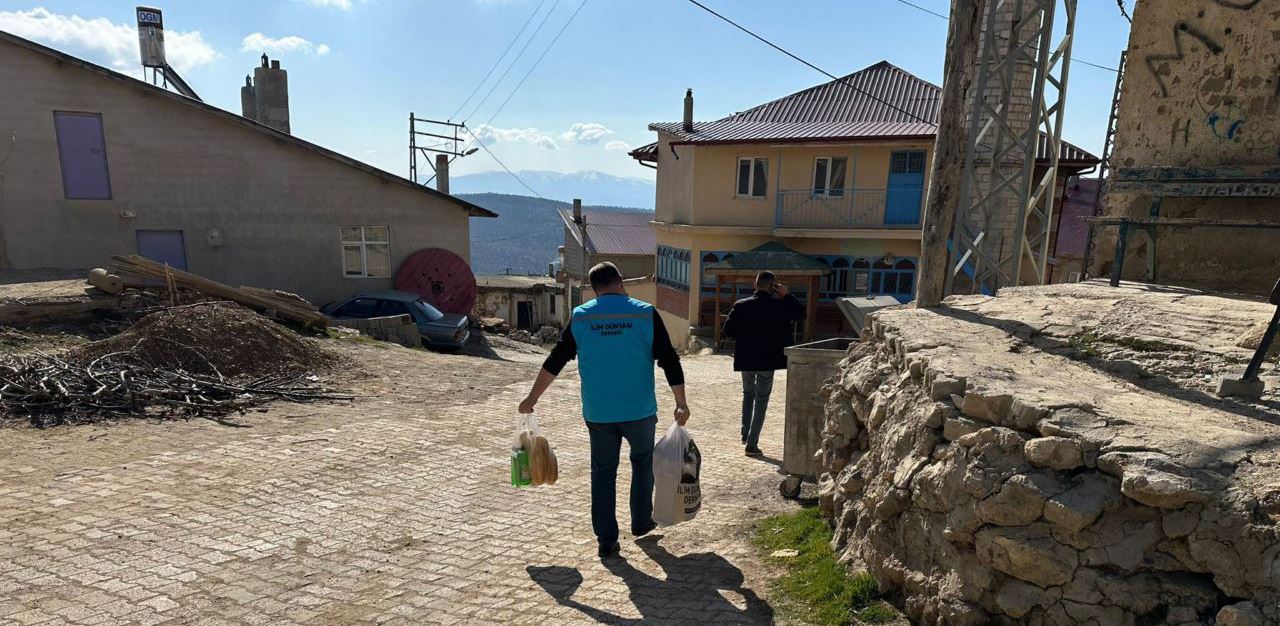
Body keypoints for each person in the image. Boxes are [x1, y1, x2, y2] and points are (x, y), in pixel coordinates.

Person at [519, 262, 689, 559]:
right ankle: (640, 522)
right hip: (639, 410)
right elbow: (669, 360)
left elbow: (555, 361)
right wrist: (681, 401)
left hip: (599, 413)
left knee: (603, 472)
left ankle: (606, 539)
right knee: (642, 463)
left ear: (594, 289)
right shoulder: (645, 313)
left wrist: (532, 398)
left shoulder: (582, 317)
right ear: (621, 283)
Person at [722, 270, 804, 457]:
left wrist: (745, 338)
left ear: (755, 285)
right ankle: (752, 444)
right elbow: (801, 314)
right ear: (773, 287)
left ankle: (745, 433)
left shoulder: (741, 306)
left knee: (748, 394)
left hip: (747, 359)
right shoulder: (780, 306)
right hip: (768, 360)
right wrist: (786, 295)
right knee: (762, 400)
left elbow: (728, 331)